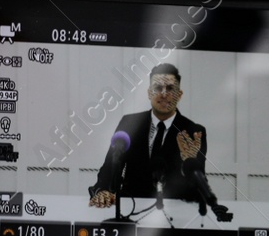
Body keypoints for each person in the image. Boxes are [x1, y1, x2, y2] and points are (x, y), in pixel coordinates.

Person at [88, 63, 207, 208]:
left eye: (170, 88)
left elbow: (199, 183)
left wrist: (189, 162)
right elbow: (111, 165)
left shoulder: (193, 132)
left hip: (175, 209)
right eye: (157, 88)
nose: (163, 94)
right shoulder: (129, 123)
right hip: (131, 206)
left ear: (179, 94)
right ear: (149, 92)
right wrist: (103, 190)